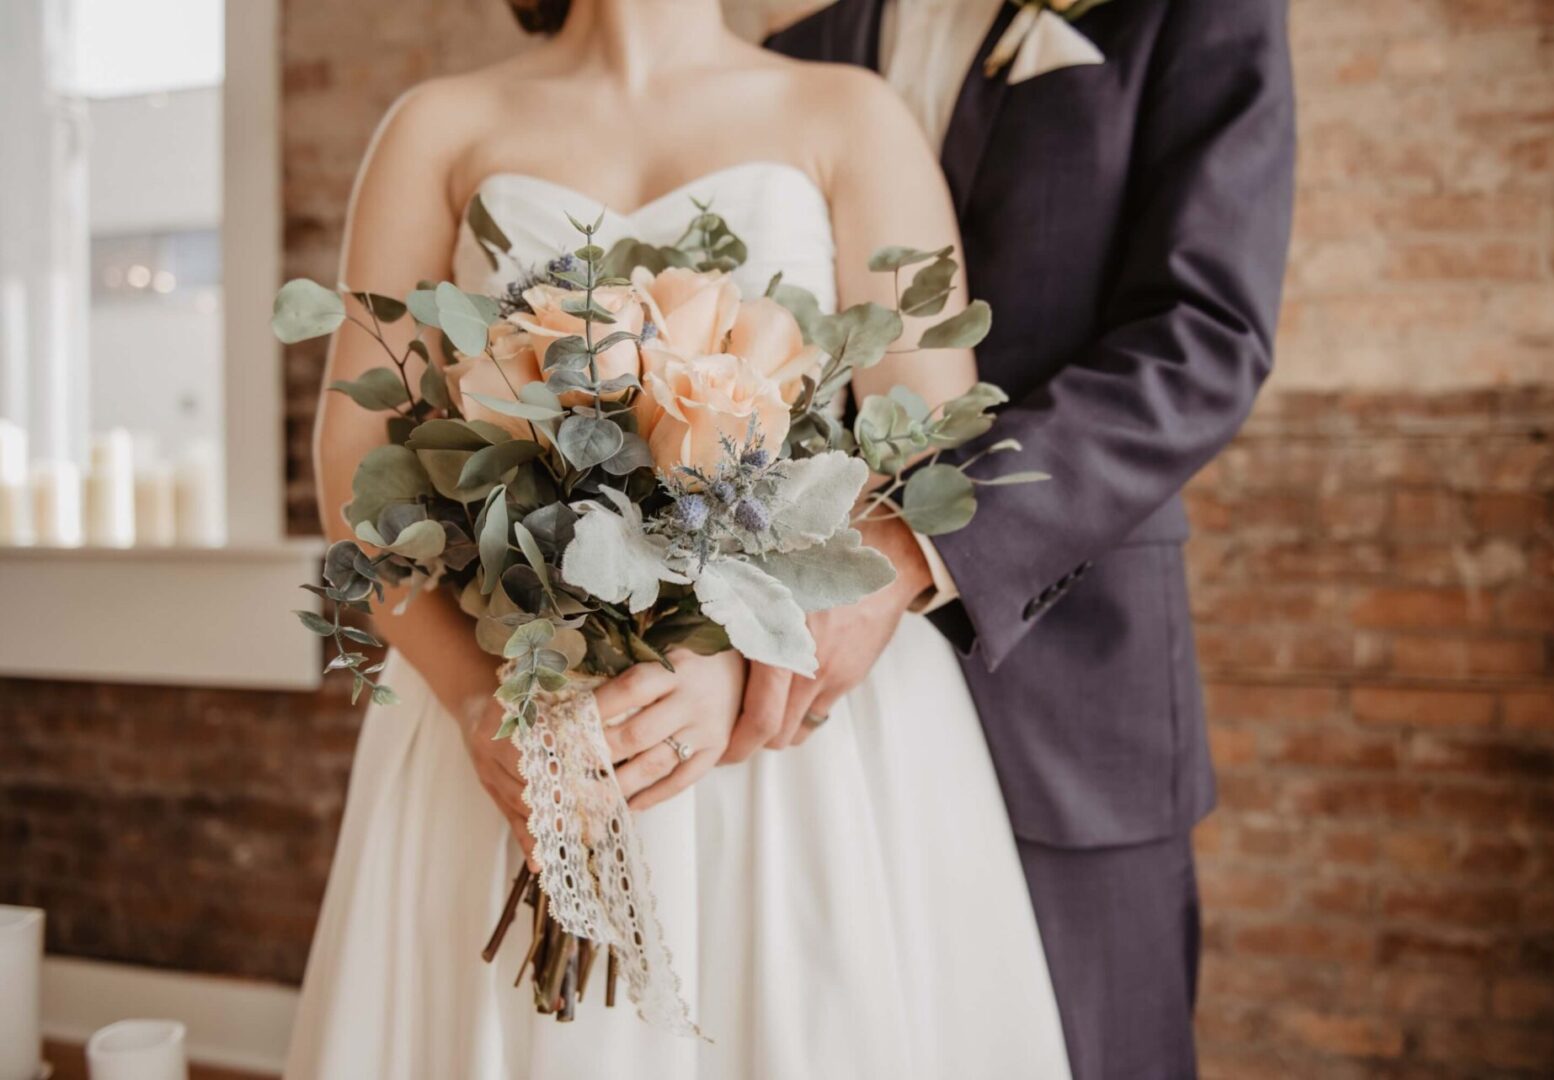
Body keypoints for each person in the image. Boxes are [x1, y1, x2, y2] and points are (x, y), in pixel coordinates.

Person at [284, 0, 1069, 1076]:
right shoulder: (438, 125)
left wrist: (736, 652)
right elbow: (353, 465)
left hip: (789, 739)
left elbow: (927, 456)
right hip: (520, 708)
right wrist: (479, 699)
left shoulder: (848, 114)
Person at [756, 0, 1297, 1075]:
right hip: (809, 730)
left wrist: (915, 546)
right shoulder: (796, 50)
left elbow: (1204, 337)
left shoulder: (1197, 13)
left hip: (1071, 686)